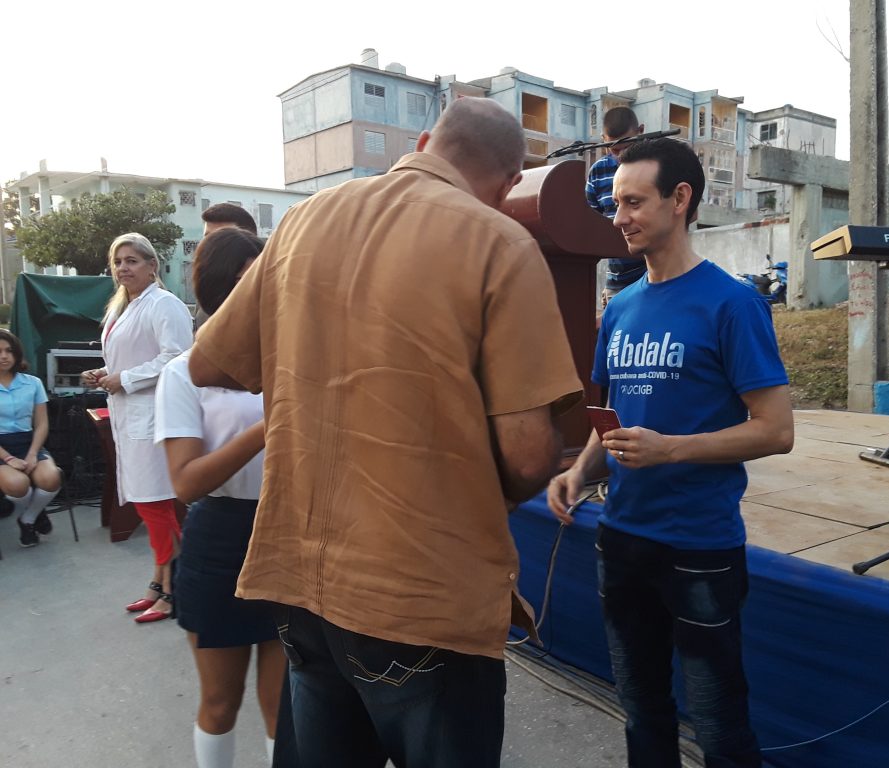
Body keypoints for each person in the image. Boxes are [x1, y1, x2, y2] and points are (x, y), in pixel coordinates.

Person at [189, 96, 582, 767]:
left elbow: (208, 363)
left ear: (425, 140)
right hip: (424, 596)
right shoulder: (500, 243)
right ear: (510, 182)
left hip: (304, 584)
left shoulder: (303, 220)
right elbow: (526, 458)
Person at [548, 138, 794, 768]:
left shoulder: (732, 303)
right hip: (622, 540)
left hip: (700, 547)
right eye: (614, 204)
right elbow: (618, 429)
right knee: (642, 712)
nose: (619, 217)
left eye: (633, 202)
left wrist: (672, 450)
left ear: (680, 199)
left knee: (718, 725)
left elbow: (775, 430)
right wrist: (577, 473)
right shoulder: (621, 309)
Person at [155, 227, 284, 767]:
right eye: (251, 274)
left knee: (288, 705)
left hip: (286, 536)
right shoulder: (184, 372)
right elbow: (186, 482)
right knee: (219, 701)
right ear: (228, 282)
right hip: (220, 543)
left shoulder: (288, 362)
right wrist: (269, 426)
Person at [81, 233, 193, 623]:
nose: (123, 268)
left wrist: (125, 378)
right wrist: (105, 374)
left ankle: (174, 587)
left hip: (153, 415)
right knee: (152, 505)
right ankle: (160, 582)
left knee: (154, 504)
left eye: (131, 261)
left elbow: (178, 358)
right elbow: (130, 357)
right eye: (118, 261)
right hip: (129, 414)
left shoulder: (165, 305)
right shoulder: (121, 308)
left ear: (152, 266)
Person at [0, 329, 62, 548]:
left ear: (16, 354)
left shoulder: (32, 383)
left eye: (8, 350)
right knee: (18, 484)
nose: (4, 356)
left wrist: (33, 453)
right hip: (1, 449)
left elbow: (42, 423)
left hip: (29, 442)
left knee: (51, 478)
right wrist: (8, 459)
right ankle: (36, 511)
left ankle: (28, 518)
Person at [586, 106, 648, 299]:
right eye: (614, 149)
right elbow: (590, 225)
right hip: (616, 283)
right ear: (603, 140)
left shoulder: (657, 165)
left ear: (641, 132)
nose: (621, 156)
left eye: (627, 147)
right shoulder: (598, 172)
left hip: (655, 278)